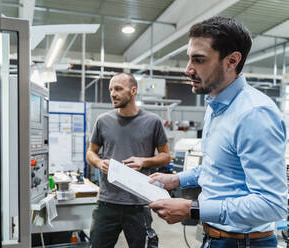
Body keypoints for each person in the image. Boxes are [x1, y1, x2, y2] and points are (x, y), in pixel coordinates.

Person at [149, 16, 287, 248]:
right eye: (189, 59)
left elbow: (273, 204)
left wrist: (192, 209)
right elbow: (219, 166)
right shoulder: (215, 105)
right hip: (216, 238)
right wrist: (176, 179)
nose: (188, 69)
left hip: (244, 243)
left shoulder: (254, 113)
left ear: (232, 61)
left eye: (199, 60)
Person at [86, 72, 171, 248]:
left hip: (139, 203)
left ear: (133, 91)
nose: (113, 94)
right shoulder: (103, 121)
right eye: (111, 89)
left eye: (118, 89)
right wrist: (100, 162)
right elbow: (90, 152)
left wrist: (144, 162)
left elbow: (166, 156)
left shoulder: (152, 121)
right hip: (107, 202)